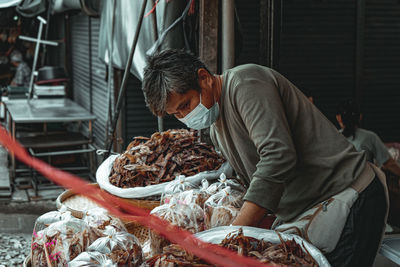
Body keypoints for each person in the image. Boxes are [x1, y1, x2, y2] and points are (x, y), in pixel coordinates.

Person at [142, 49, 387, 267]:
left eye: (186, 105)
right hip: (310, 210)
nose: (185, 116)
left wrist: (231, 234)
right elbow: (252, 179)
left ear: (204, 78)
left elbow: (278, 155)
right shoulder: (217, 127)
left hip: (348, 197)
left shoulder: (245, 83)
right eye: (177, 114)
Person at [336, 99, 400, 183]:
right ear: (360, 117)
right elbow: (389, 164)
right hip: (363, 188)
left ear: (338, 118)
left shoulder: (332, 137)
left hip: (337, 188)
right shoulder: (370, 137)